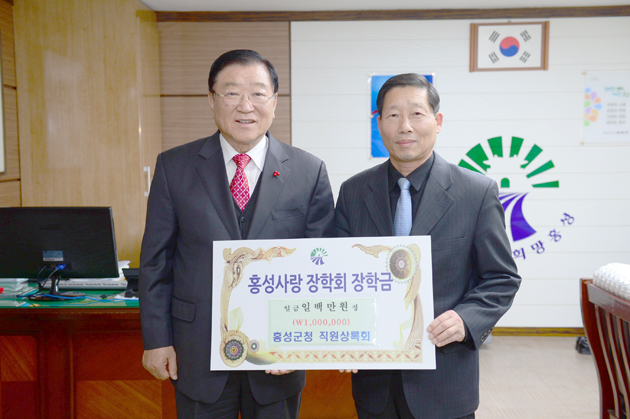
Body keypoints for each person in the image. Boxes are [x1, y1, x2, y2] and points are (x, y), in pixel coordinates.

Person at [139, 49, 335, 418]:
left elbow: (320, 267)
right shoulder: (174, 167)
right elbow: (156, 263)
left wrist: (302, 343)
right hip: (197, 352)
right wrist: (157, 340)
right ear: (211, 100)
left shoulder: (309, 172)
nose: (246, 106)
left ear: (274, 102)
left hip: (279, 355)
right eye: (231, 93)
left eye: (258, 93)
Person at [335, 73, 521, 419]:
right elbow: (339, 274)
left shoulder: (476, 192)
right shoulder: (353, 192)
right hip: (374, 382)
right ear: (379, 124)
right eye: (393, 115)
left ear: (438, 122)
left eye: (417, 114)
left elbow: (501, 278)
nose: (405, 126)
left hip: (445, 379)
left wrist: (466, 319)